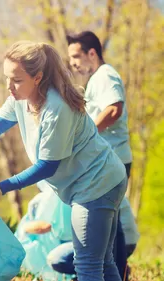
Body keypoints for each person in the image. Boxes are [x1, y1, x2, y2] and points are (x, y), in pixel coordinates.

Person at [0, 41, 127, 281]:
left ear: (38, 77)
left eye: (17, 80)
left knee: (88, 265)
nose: (9, 86)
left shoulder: (56, 107)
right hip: (104, 179)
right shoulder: (21, 98)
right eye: (7, 78)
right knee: (103, 263)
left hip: (95, 186)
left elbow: (47, 166)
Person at [66, 31, 137, 279]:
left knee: (111, 229)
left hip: (114, 159)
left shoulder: (105, 75)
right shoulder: (96, 79)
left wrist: (88, 134)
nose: (73, 63)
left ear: (92, 53)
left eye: (76, 56)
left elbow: (114, 109)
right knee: (110, 229)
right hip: (109, 162)